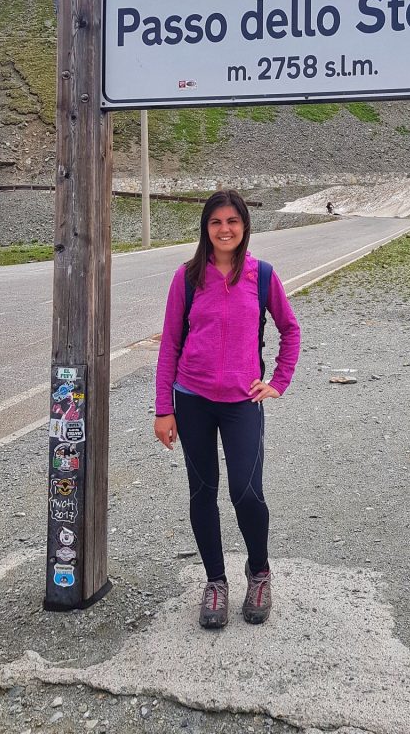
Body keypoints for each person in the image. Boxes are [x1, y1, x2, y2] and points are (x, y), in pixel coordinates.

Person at [154, 190, 301, 629]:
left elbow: (290, 330)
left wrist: (277, 382)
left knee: (246, 491)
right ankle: (215, 582)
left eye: (232, 221)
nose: (224, 229)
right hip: (193, 399)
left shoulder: (263, 276)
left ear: (244, 226)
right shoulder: (186, 278)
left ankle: (259, 573)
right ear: (206, 228)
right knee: (202, 493)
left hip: (242, 402)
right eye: (216, 222)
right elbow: (170, 346)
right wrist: (165, 408)